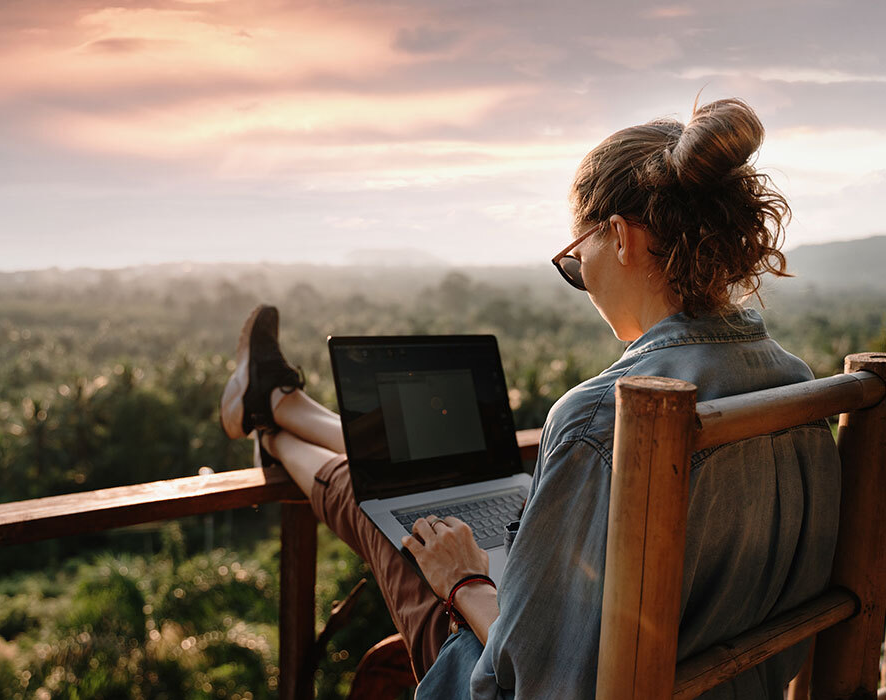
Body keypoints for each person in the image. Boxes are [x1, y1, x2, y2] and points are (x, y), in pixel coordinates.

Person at [219, 98, 840, 699]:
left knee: (388, 507)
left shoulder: (602, 419)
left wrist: (464, 581)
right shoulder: (797, 386)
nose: (581, 277)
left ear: (620, 238)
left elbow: (541, 682)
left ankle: (272, 423)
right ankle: (279, 409)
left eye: (576, 259)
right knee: (414, 488)